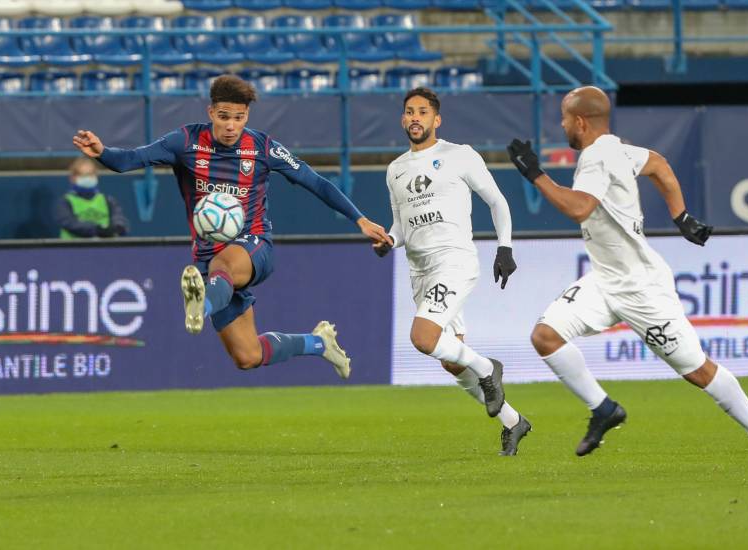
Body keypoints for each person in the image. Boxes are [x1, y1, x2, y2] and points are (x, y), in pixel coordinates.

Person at [507, 85, 748, 481]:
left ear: (579, 121)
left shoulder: (595, 158)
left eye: (563, 118)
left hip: (641, 289)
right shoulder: (618, 149)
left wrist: (535, 174)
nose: (560, 125)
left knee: (697, 370)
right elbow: (659, 164)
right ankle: (603, 409)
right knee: (545, 336)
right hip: (606, 280)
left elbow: (579, 208)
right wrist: (681, 217)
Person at [72, 75, 391, 379]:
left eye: (239, 118)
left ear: (247, 115)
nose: (231, 125)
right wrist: (102, 152)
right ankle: (318, 343)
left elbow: (314, 181)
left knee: (224, 264)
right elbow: (130, 160)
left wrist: (359, 219)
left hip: (254, 246)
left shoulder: (263, 147)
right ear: (211, 111)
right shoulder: (185, 141)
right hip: (210, 263)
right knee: (247, 356)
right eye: (224, 116)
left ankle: (203, 303)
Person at [374, 87, 531, 456]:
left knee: (423, 337)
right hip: (420, 269)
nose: (415, 117)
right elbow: (400, 226)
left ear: (436, 119)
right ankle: (513, 421)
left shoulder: (459, 156)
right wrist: (389, 241)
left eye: (423, 112)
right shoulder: (395, 169)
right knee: (449, 360)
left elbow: (497, 200)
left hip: (455, 260)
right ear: (403, 118)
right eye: (410, 111)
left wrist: (504, 246)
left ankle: (488, 367)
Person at [56, 156, 129, 239]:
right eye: (82, 175)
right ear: (72, 178)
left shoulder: (108, 200)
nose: (87, 178)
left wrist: (117, 228)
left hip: (105, 248)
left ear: (96, 176)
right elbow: (69, 223)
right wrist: (97, 229)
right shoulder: (65, 201)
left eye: (90, 174)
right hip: (74, 248)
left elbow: (119, 219)